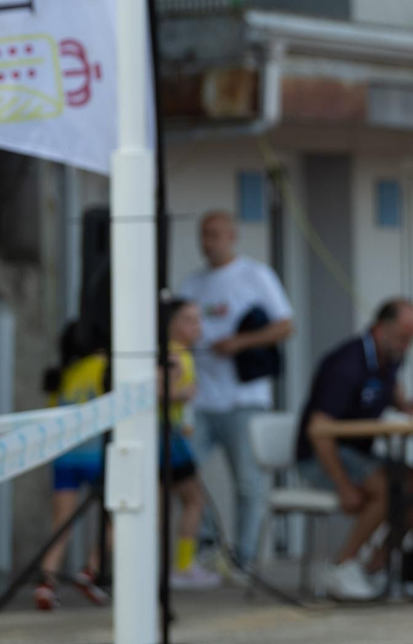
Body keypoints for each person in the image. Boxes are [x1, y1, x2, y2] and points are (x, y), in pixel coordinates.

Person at [177, 210, 294, 570]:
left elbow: (285, 325)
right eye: (203, 234)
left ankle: (243, 560)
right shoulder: (191, 284)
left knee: (248, 483)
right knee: (180, 472)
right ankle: (209, 542)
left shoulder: (255, 275)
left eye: (214, 234)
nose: (207, 242)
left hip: (244, 398)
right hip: (201, 398)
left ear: (232, 236)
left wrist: (240, 343)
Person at [297, 298, 413, 600]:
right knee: (383, 487)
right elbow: (318, 430)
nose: (409, 344)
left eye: (412, 337)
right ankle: (341, 566)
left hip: (360, 454)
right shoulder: (346, 364)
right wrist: (343, 485)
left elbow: (394, 399)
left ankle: (375, 567)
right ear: (381, 328)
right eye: (404, 335)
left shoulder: (391, 357)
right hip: (320, 456)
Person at [35, 321, 110, 610]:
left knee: (61, 525)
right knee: (116, 519)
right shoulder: (105, 365)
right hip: (96, 454)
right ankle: (90, 569)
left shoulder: (63, 374)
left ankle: (46, 583)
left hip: (65, 455)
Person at [161, 297, 222, 590]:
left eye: (199, 319)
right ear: (171, 324)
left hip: (173, 437)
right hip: (170, 439)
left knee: (172, 503)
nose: (197, 326)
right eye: (189, 320)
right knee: (194, 500)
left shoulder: (180, 353)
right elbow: (159, 394)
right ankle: (183, 566)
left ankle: (170, 566)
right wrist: (182, 393)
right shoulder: (172, 356)